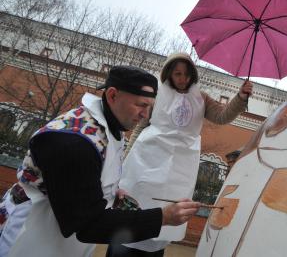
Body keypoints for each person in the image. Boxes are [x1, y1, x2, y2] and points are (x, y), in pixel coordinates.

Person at [0, 65, 200, 257]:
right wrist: (163, 217)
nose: (145, 115)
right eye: (141, 105)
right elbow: (87, 224)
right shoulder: (73, 142)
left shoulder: (110, 124)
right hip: (30, 235)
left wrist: (112, 193)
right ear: (112, 95)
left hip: (62, 237)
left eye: (150, 107)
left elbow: (87, 182)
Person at [108, 53, 253, 256]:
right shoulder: (156, 95)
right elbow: (141, 128)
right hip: (147, 161)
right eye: (177, 73)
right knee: (138, 208)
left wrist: (241, 98)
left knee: (168, 216)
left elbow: (222, 116)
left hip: (180, 169)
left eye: (186, 74)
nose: (182, 78)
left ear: (192, 75)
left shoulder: (201, 98)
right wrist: (126, 158)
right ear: (169, 73)